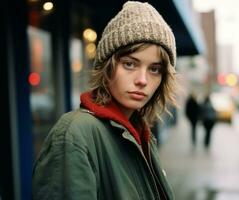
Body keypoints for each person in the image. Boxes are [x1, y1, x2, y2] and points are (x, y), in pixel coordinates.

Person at [32, 1, 178, 199]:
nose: (143, 80)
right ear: (107, 67)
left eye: (154, 69)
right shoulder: (74, 135)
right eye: (129, 64)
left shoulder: (140, 134)